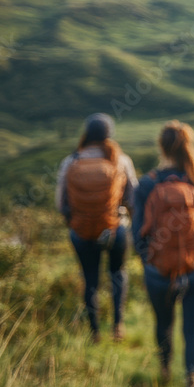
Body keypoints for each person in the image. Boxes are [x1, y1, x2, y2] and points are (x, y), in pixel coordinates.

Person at [133, 120, 194, 387]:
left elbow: (137, 237)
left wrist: (151, 261)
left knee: (163, 323)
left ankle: (165, 370)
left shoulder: (146, 183)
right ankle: (192, 379)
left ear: (161, 146)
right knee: (192, 332)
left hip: (159, 271)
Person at [55, 112, 138, 344]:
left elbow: (60, 204)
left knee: (90, 279)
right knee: (118, 274)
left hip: (81, 231)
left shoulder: (70, 161)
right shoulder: (121, 160)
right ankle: (117, 326)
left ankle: (94, 332)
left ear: (86, 133)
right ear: (109, 135)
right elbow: (133, 199)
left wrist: (75, 221)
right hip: (115, 227)